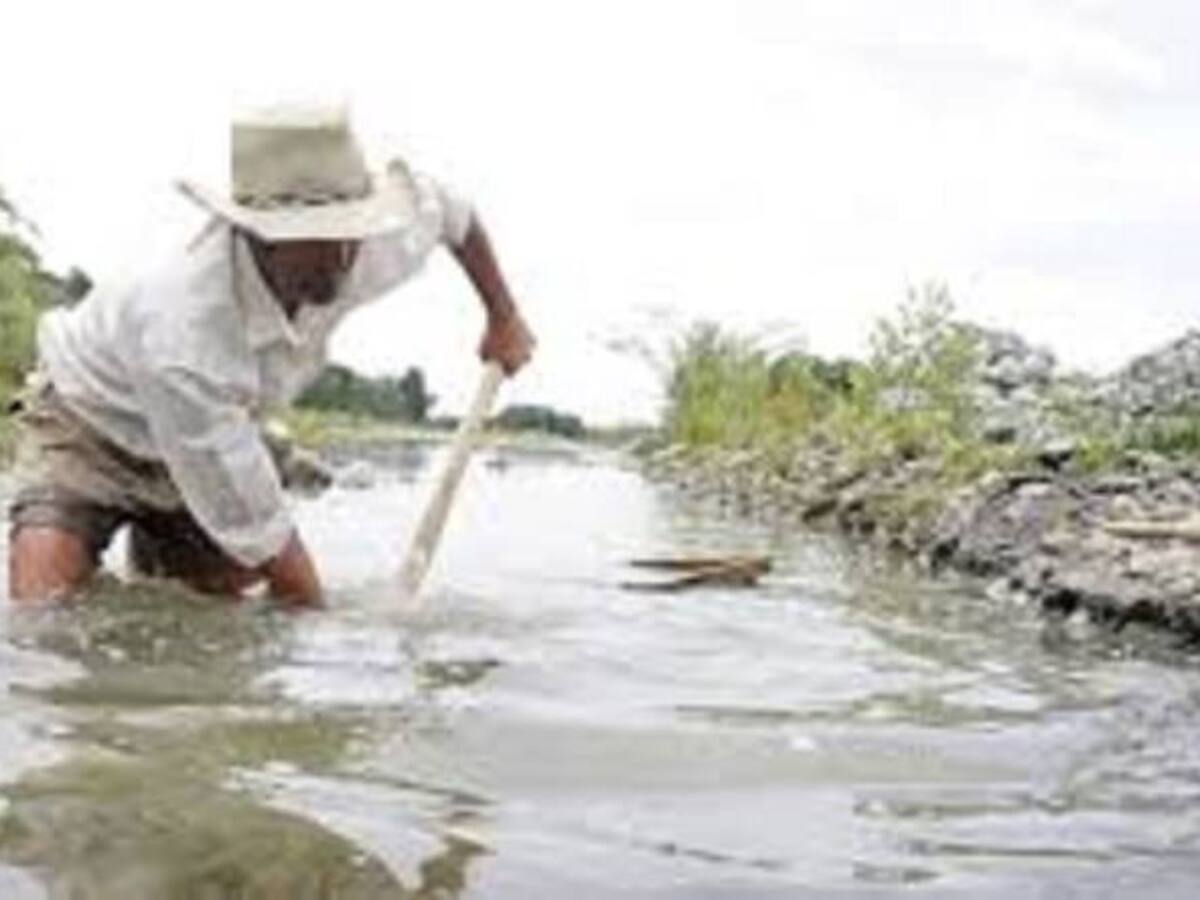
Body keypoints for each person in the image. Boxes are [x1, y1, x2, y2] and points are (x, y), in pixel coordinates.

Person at [6, 105, 535, 608]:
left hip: (217, 425)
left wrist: (503, 317)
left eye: (347, 232)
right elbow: (264, 530)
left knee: (214, 619)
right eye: (314, 239)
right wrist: (323, 627)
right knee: (42, 620)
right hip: (90, 424)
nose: (338, 258)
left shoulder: (382, 240)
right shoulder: (182, 327)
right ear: (255, 236)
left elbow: (455, 215)